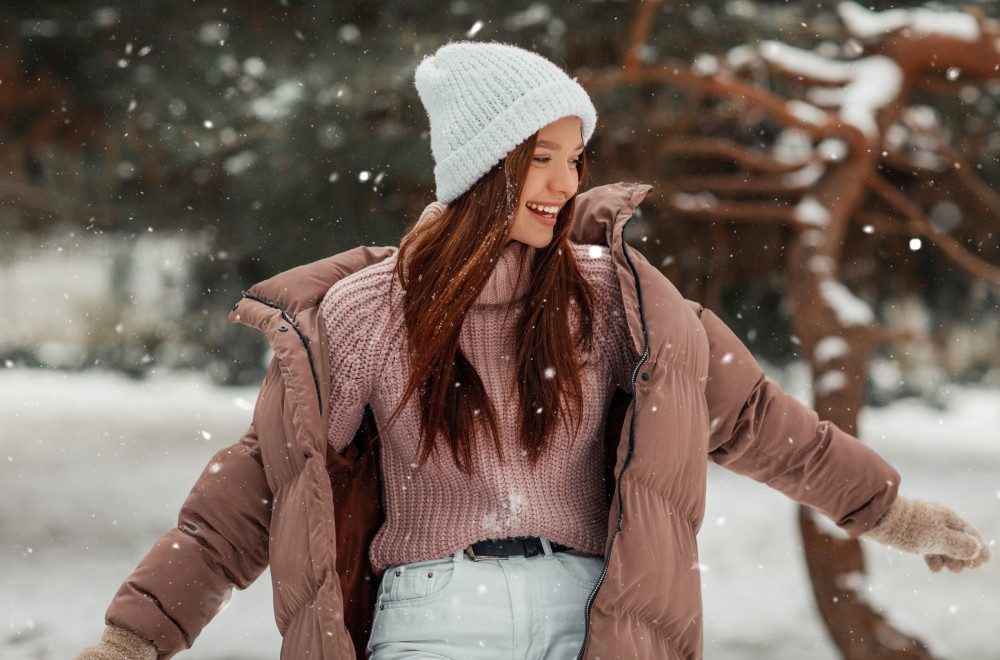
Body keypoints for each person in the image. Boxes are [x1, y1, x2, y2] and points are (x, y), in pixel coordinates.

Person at [77, 42, 990, 660]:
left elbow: (754, 420)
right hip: (434, 620)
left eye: (575, 158)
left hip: (588, 616)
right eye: (541, 157)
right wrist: (134, 636)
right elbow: (260, 487)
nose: (565, 182)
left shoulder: (619, 298)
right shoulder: (367, 312)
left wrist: (891, 513)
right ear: (483, 166)